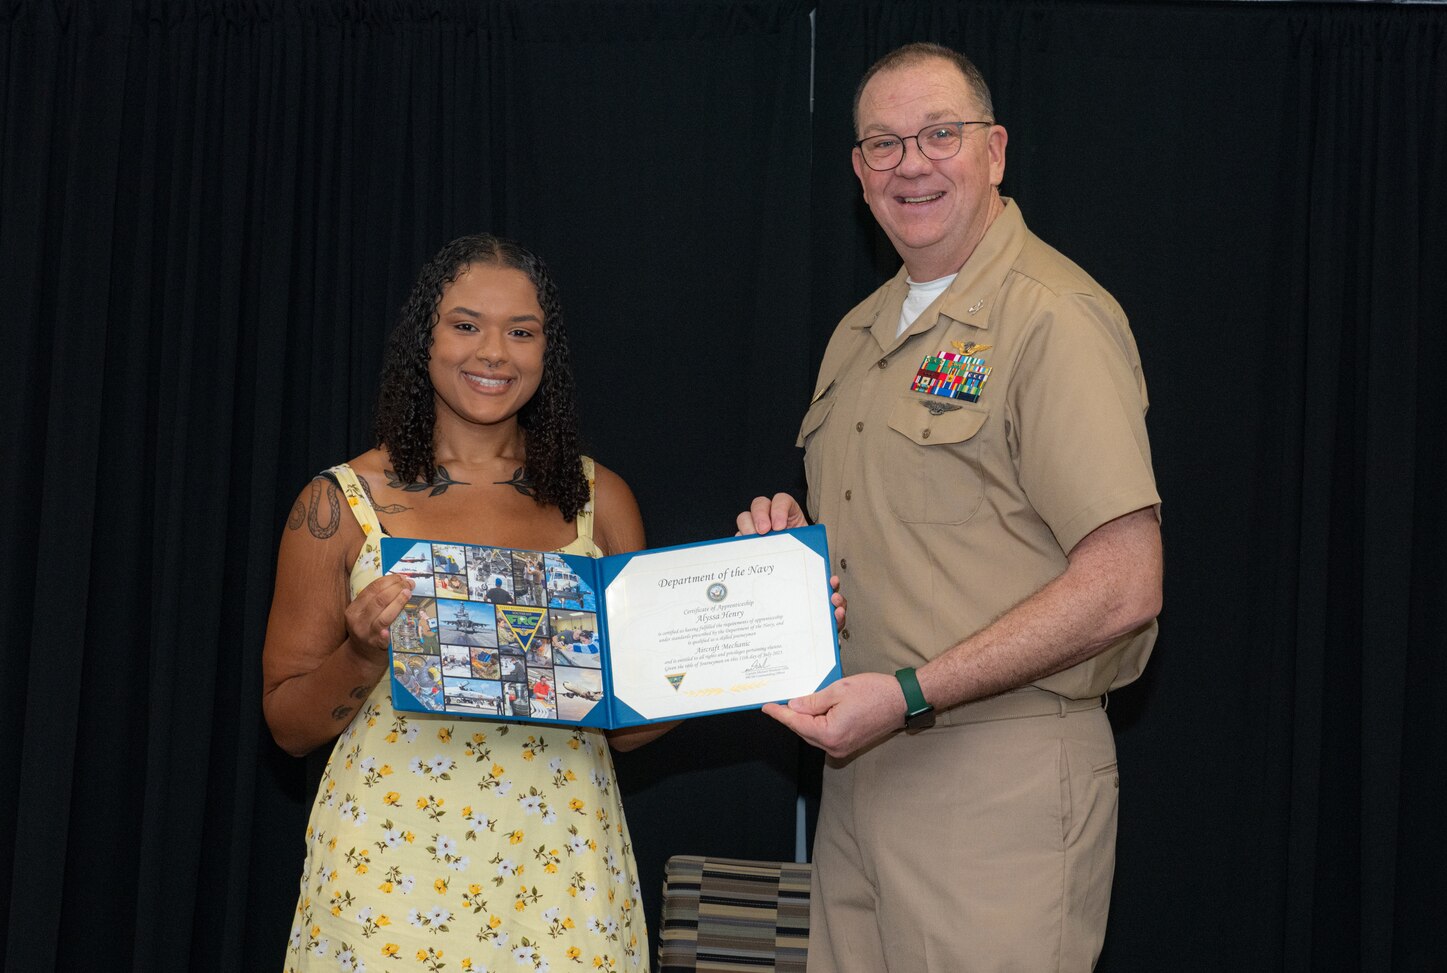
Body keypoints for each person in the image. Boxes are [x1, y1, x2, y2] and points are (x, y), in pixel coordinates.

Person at [737, 43, 1163, 972]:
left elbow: (1126, 585)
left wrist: (913, 692)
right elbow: (885, 555)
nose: (912, 163)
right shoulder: (857, 336)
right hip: (860, 771)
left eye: (941, 134)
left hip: (998, 775)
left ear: (996, 151)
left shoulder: (1052, 316)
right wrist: (783, 560)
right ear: (858, 172)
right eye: (883, 145)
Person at [263, 234, 669, 972]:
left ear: (549, 353)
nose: (495, 352)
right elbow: (288, 727)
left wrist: (723, 662)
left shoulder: (599, 502)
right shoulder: (341, 503)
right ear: (427, 338)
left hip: (561, 878)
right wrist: (360, 650)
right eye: (466, 324)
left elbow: (631, 725)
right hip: (388, 878)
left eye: (522, 331)